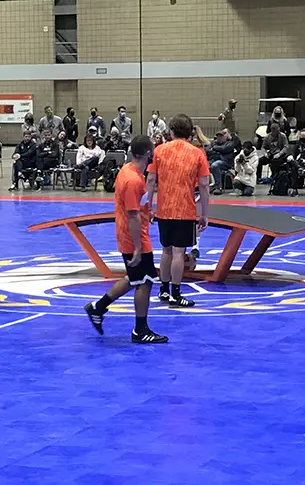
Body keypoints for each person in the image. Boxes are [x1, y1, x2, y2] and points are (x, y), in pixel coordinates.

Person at [84, 136, 168, 343]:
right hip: (133, 237)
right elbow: (132, 214)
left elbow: (136, 207)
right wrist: (138, 247)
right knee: (145, 281)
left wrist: (147, 212)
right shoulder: (133, 180)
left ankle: (98, 307)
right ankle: (140, 330)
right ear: (148, 154)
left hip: (132, 233)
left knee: (134, 277)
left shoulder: (129, 171)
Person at [145, 114, 209, 308]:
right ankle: (176, 293)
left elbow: (150, 180)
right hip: (185, 210)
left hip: (164, 209)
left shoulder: (160, 151)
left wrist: (148, 205)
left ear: (171, 131)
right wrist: (204, 213)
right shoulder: (198, 154)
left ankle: (163, 290)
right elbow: (204, 185)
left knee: (166, 251)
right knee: (179, 253)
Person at [208, 129, 241, 194]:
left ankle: (218, 187)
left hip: (226, 162)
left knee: (215, 165)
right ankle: (206, 185)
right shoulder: (214, 143)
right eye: (218, 137)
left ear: (224, 137)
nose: (219, 138)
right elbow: (209, 151)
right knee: (203, 165)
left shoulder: (229, 143)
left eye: (221, 136)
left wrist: (215, 148)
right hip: (214, 160)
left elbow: (225, 149)